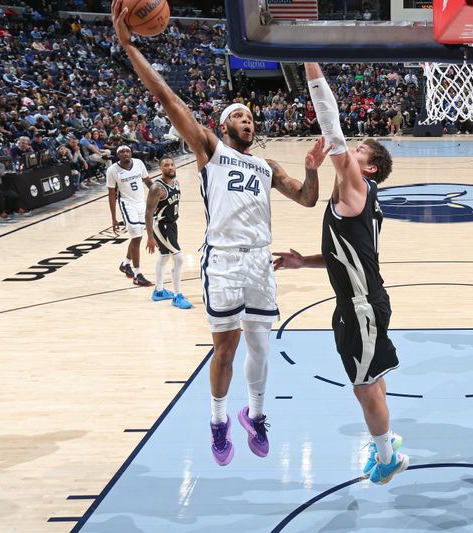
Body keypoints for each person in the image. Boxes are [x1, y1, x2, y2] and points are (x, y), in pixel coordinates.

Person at [113, 0, 325, 467]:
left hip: (259, 259)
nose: (248, 121)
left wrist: (312, 171)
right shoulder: (209, 148)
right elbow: (167, 97)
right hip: (224, 259)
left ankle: (257, 415)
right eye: (240, 116)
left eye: (251, 117)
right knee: (224, 347)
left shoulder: (264, 164)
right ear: (225, 124)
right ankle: (217, 419)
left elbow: (308, 200)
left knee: (261, 343)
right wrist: (129, 46)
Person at [271, 62, 408, 485]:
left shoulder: (357, 187)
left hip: (362, 305)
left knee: (363, 387)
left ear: (367, 169)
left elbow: (330, 125)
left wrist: (312, 66)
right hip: (359, 302)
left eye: (357, 152)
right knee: (373, 378)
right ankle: (387, 440)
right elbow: (345, 255)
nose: (348, 154)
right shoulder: (353, 197)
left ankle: (387, 457)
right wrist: (303, 262)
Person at [145, 157, 192, 309]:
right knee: (178, 259)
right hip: (161, 226)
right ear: (161, 168)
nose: (171, 167)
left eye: (172, 164)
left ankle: (158, 291)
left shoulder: (176, 183)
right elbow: (148, 213)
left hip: (172, 224)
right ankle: (178, 296)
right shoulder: (156, 188)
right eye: (166, 165)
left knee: (165, 256)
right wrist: (150, 237)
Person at [107, 144, 153, 286]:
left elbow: (148, 181)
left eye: (127, 151)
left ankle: (125, 263)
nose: (125, 153)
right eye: (122, 152)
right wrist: (114, 218)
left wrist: (158, 194)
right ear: (118, 155)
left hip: (141, 203)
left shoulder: (139, 163)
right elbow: (111, 195)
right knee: (137, 236)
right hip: (127, 204)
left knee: (136, 237)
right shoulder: (112, 170)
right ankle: (137, 274)